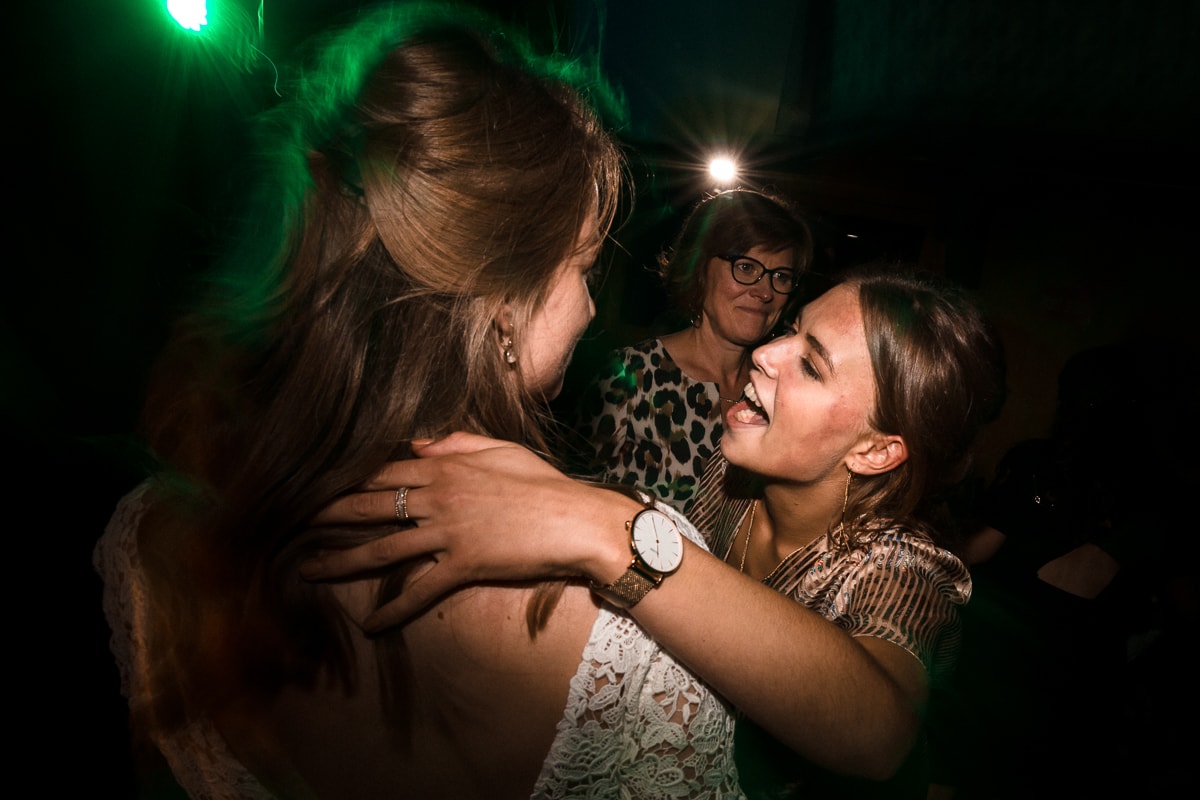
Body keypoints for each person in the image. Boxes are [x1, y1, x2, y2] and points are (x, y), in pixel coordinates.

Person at [92, 4, 745, 798]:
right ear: (504, 299)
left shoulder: (155, 539)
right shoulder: (622, 633)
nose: (588, 308)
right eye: (583, 266)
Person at [304, 261, 1008, 798]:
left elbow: (876, 731)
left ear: (875, 451)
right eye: (792, 329)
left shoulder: (904, 568)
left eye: (811, 364)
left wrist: (607, 527)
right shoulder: (728, 482)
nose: (767, 351)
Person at [568, 188, 814, 513]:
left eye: (780, 276)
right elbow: (574, 506)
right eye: (745, 267)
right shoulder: (631, 377)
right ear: (700, 268)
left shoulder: (781, 395)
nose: (764, 291)